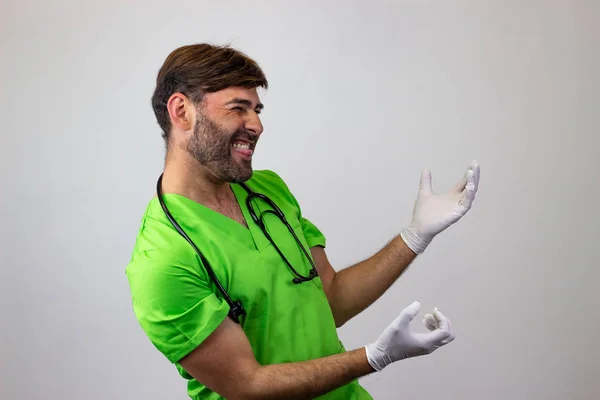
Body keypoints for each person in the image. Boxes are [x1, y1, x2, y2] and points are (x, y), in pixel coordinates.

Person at [126, 43, 480, 400]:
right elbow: (247, 385)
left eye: (258, 109)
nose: (257, 125)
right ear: (182, 112)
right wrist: (373, 357)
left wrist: (415, 235)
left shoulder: (267, 190)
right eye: (239, 108)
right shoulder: (162, 258)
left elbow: (332, 299)